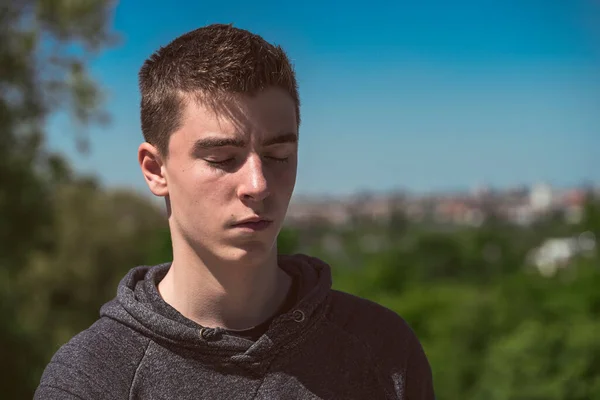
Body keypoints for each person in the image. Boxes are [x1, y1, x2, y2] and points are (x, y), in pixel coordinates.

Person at [35, 23, 435, 399]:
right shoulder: (92, 379)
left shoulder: (383, 348)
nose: (258, 185)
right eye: (223, 158)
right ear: (156, 171)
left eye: (279, 156)